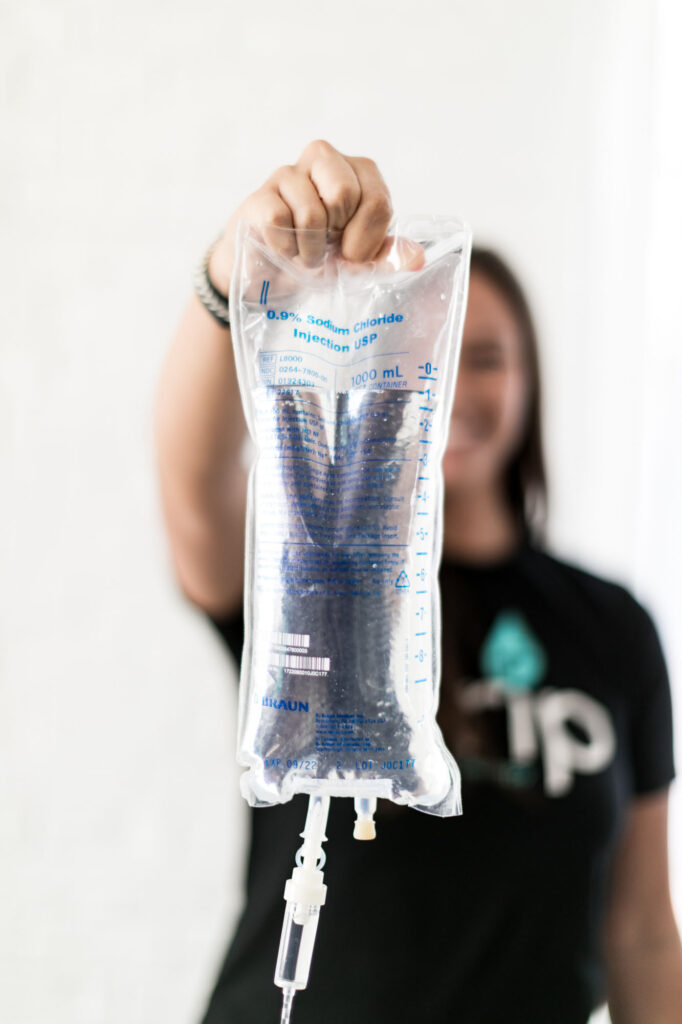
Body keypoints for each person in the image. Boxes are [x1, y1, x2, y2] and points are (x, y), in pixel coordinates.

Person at [154, 140, 682, 1024]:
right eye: (437, 347)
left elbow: (640, 932)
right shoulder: (318, 577)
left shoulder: (612, 628)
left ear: (531, 381)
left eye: (489, 358)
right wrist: (228, 278)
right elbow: (195, 490)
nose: (457, 389)